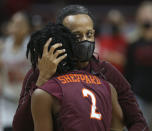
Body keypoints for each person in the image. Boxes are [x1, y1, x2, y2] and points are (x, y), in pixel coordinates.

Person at [14, 5, 149, 131]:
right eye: (77, 36)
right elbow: (20, 127)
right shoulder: (40, 71)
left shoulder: (106, 72)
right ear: (61, 36)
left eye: (89, 34)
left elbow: (138, 122)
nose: (85, 40)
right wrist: (42, 79)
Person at [0, 11, 31, 131]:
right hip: (7, 98)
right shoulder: (4, 45)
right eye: (14, 22)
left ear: (27, 27)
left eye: (20, 24)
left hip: (26, 101)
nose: (15, 26)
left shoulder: (32, 47)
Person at [125, 1, 152, 130]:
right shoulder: (133, 43)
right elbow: (129, 70)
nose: (147, 18)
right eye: (144, 14)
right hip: (139, 93)